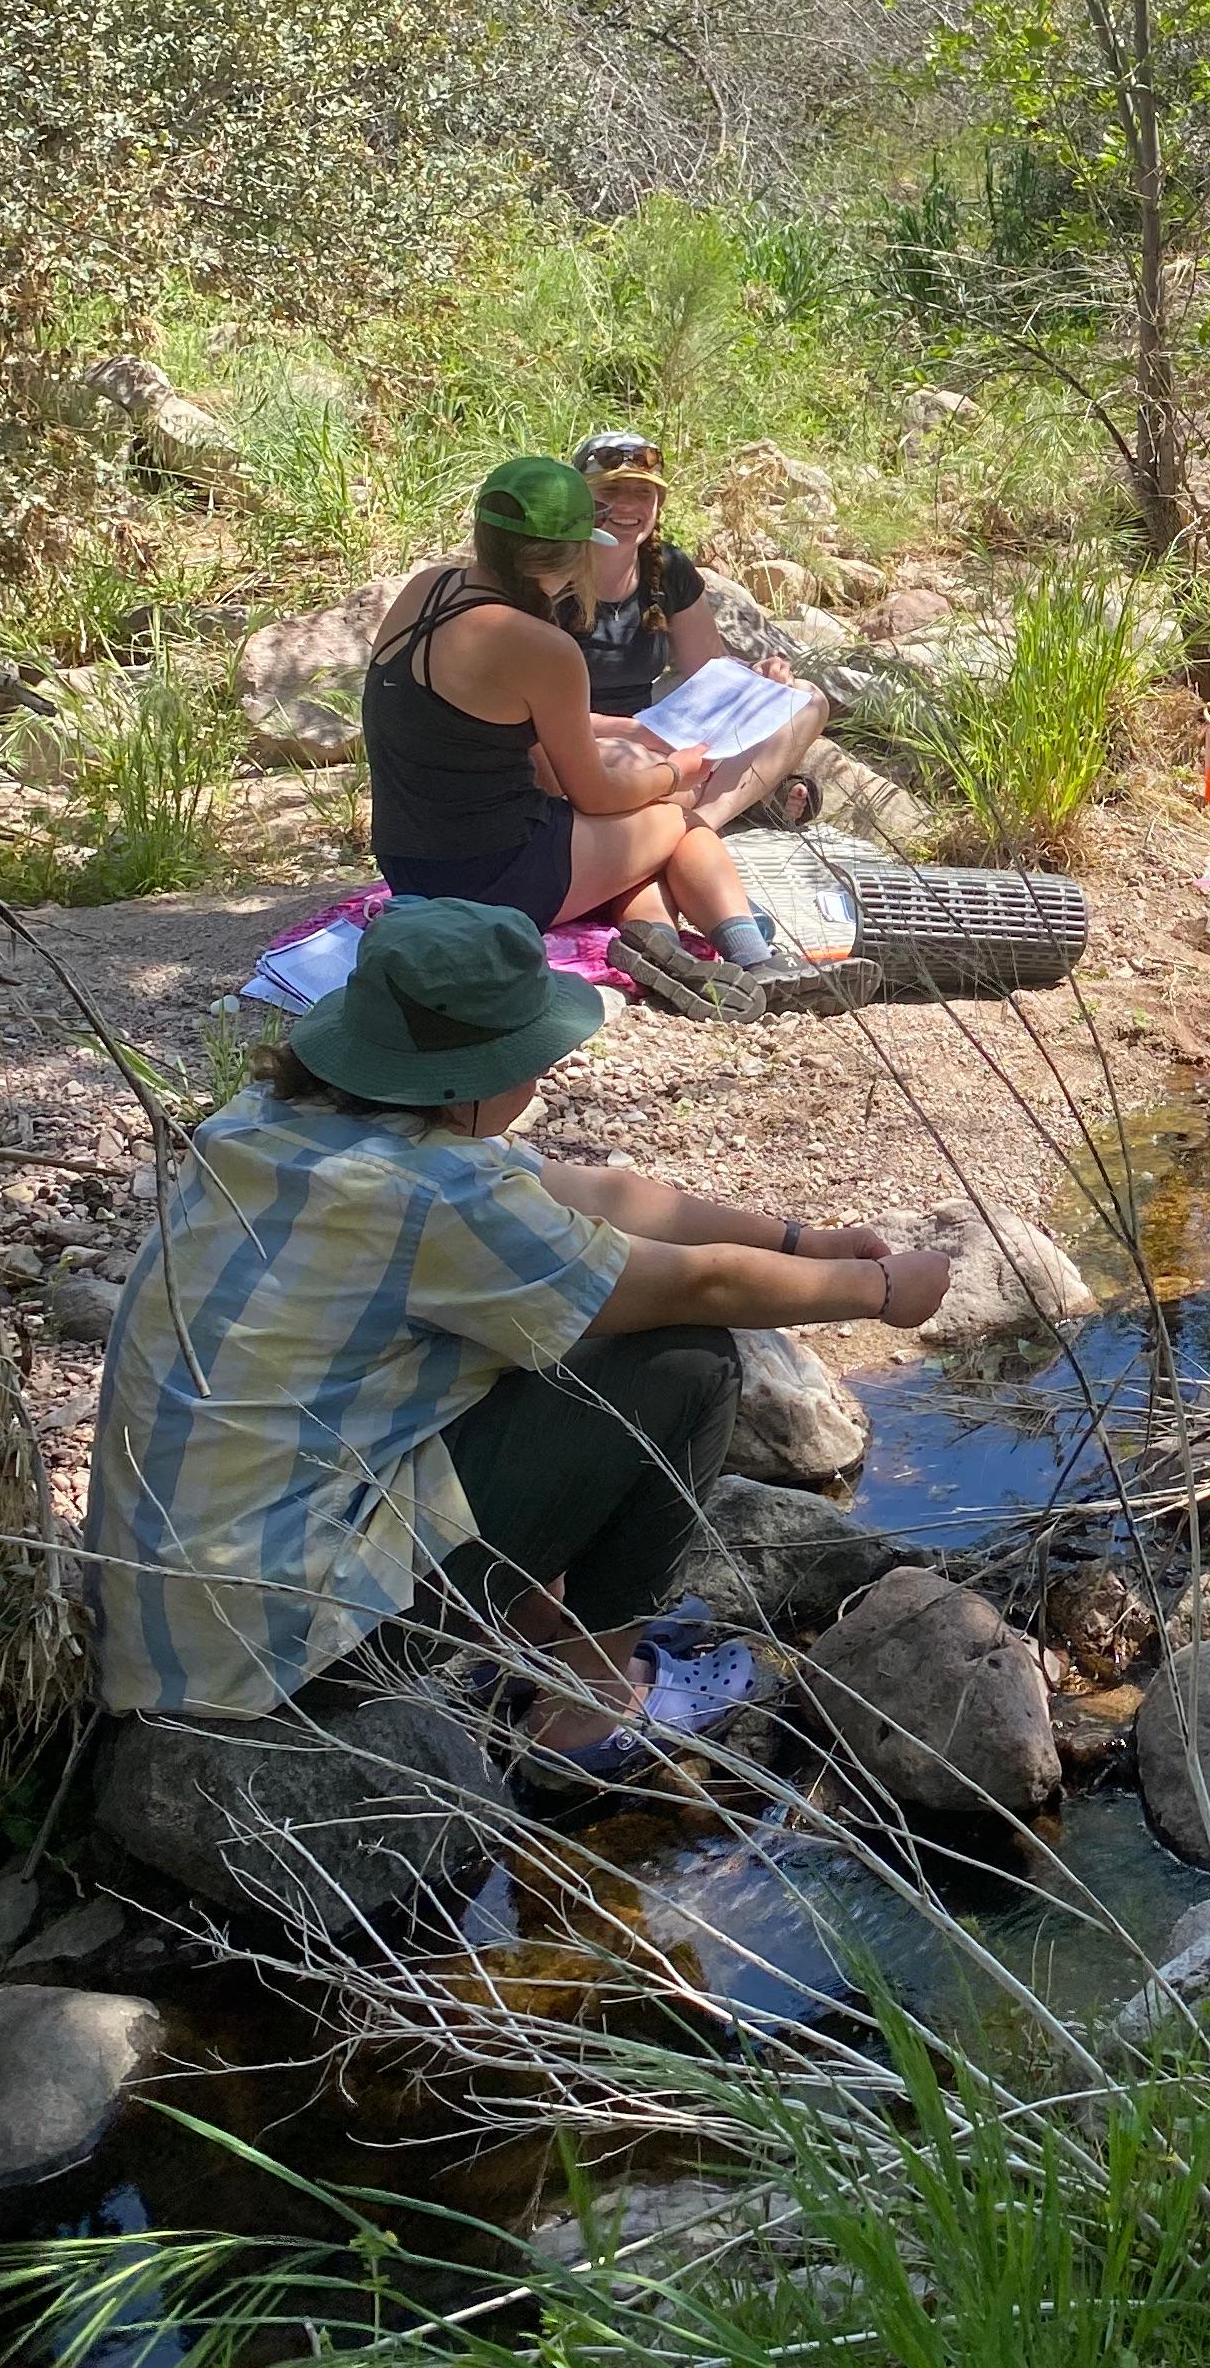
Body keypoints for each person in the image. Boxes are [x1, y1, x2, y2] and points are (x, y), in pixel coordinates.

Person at [86, 901, 962, 1786]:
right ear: (478, 1074)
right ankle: (589, 1711)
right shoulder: (437, 1202)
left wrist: (801, 1242)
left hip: (167, 1627)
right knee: (683, 1359)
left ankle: (537, 1621)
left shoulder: (265, 1120)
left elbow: (602, 1194)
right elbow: (699, 1288)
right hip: (274, 1649)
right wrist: (879, 1291)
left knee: (517, 1342)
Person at [363, 457, 879, 1023]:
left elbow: (503, 751)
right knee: (676, 824)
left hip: (408, 858)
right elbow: (595, 796)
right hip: (488, 875)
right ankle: (758, 962)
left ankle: (657, 942)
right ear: (576, 552)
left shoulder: (427, 590)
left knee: (640, 842)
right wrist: (676, 775)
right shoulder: (540, 646)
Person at [563, 427, 832, 833]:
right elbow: (530, 720)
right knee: (648, 770)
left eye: (642, 493)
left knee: (806, 700)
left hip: (652, 726)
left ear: (658, 505)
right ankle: (724, 797)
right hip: (584, 739)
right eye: (612, 491)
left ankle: (701, 825)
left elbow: (710, 672)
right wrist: (638, 733)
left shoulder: (668, 569)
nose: (627, 506)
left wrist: (757, 674)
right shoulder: (551, 576)